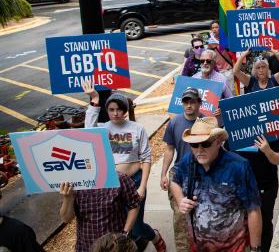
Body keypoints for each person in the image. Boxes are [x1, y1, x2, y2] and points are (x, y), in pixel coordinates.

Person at [83, 82, 165, 252]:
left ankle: (155, 237)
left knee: (137, 226)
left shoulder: (137, 128)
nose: (115, 113)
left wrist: (142, 186)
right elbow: (88, 132)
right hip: (112, 184)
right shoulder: (103, 128)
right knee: (118, 223)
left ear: (125, 110)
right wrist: (94, 99)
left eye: (119, 109)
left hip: (134, 181)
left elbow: (146, 158)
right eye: (111, 110)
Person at [170, 117, 263, 251]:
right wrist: (180, 200)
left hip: (233, 247)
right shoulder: (188, 161)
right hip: (198, 246)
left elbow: (253, 210)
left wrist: (255, 249)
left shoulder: (239, 167)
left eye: (206, 144)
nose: (199, 150)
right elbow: (174, 181)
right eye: (194, 145)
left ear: (218, 142)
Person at [160, 87, 204, 251]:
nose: (189, 105)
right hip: (179, 176)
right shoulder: (174, 122)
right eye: (186, 101)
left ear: (199, 103)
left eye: (192, 101)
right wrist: (164, 174)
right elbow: (169, 149)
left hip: (201, 175)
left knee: (202, 216)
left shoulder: (206, 122)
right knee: (180, 218)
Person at [59, 174, 141, 252]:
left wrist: (125, 233)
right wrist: (67, 198)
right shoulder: (76, 184)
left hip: (114, 246)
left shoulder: (118, 179)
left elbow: (134, 204)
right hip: (86, 247)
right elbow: (66, 218)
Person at [192, 49, 235, 126]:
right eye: (202, 61)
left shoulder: (222, 79)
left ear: (214, 63)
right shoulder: (194, 79)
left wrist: (222, 108)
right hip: (198, 123)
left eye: (208, 61)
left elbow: (230, 100)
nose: (205, 63)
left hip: (216, 124)